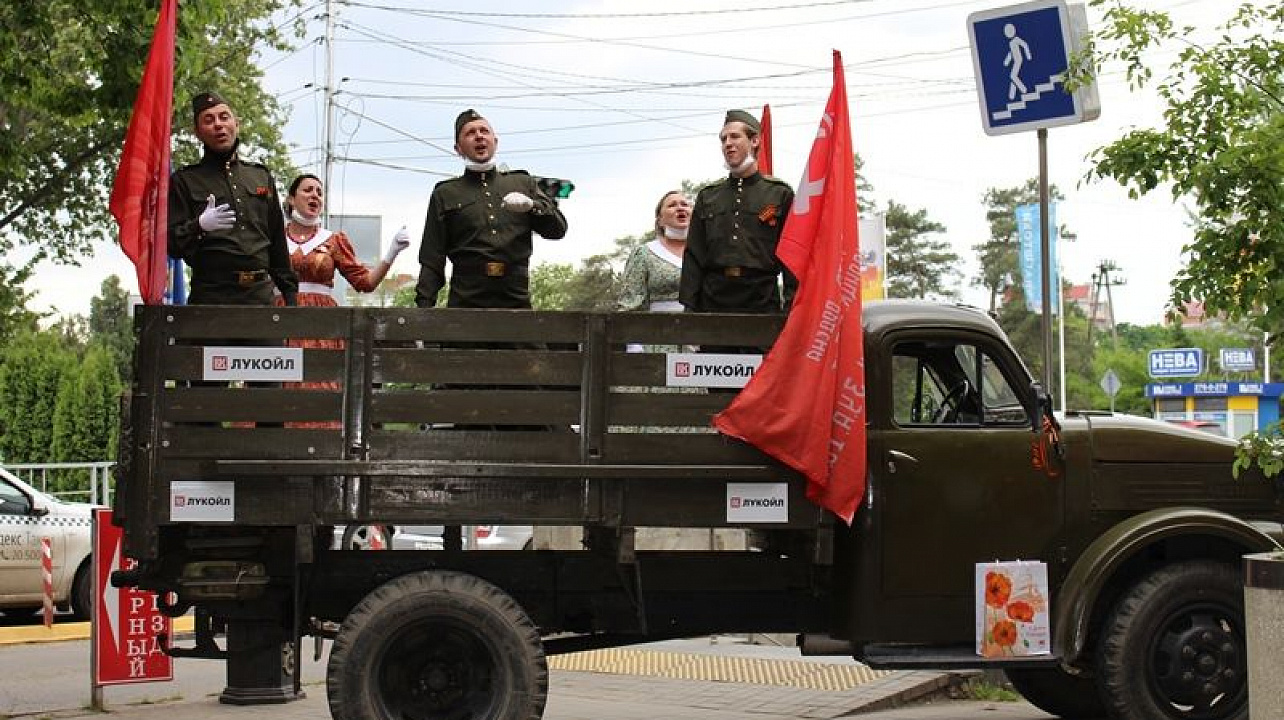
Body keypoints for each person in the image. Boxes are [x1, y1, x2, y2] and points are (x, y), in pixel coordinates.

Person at [274, 174, 411, 428]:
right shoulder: (273, 239)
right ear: (291, 199)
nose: (315, 195)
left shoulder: (333, 240)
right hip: (282, 318)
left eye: (319, 192)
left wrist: (392, 252)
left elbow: (365, 283)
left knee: (319, 384)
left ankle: (321, 449)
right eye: (307, 190)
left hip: (322, 324)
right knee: (279, 382)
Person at [414, 109, 568, 309]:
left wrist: (533, 206)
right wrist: (423, 312)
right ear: (458, 148)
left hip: (516, 300)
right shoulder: (446, 193)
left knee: (528, 339)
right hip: (466, 301)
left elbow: (557, 230)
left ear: (495, 141)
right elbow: (432, 258)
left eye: (484, 131)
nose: (479, 136)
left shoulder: (522, 183)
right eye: (470, 133)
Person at [168, 91, 298, 306]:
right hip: (211, 296)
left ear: (237, 124)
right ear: (197, 132)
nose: (218, 125)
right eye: (209, 120)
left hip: (259, 297)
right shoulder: (186, 180)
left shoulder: (259, 176)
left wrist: (290, 296)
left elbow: (277, 243)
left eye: (224, 117)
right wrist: (198, 226)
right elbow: (171, 243)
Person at [679, 109, 796, 315]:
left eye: (735, 136)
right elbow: (694, 254)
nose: (727, 144)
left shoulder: (779, 194)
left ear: (755, 141)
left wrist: (792, 303)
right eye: (723, 139)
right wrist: (690, 307)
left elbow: (791, 253)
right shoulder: (708, 196)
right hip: (713, 300)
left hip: (762, 300)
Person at [616, 190, 692, 315]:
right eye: (672, 205)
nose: (680, 208)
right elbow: (630, 305)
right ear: (660, 220)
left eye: (684, 204)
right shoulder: (644, 253)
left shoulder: (707, 252)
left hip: (703, 329)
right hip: (658, 329)